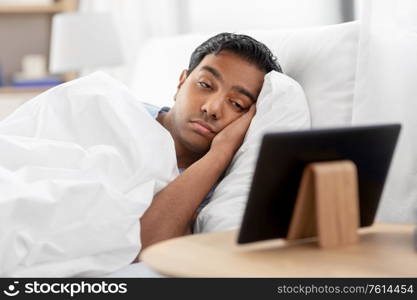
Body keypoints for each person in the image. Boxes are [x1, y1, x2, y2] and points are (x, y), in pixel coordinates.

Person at [139, 32, 282, 251]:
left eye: (237, 103)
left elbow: (143, 248)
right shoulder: (123, 114)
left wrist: (221, 152)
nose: (212, 108)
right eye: (205, 85)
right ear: (181, 83)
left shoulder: (217, 195)